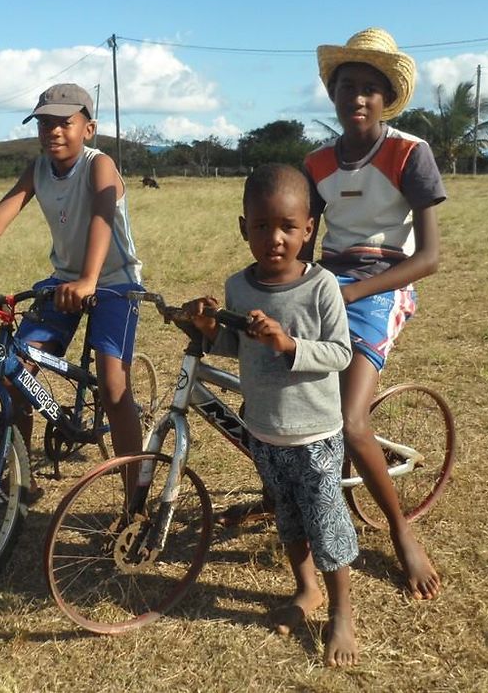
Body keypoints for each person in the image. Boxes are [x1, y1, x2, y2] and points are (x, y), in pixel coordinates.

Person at [0, 83, 144, 493]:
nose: (53, 131)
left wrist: (89, 279)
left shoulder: (99, 165)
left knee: (112, 387)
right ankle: (22, 478)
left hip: (114, 284)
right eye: (44, 124)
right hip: (65, 281)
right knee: (15, 374)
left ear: (88, 128)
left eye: (63, 123)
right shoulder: (38, 169)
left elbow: (102, 218)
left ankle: (136, 494)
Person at [185, 163, 359, 667]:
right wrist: (201, 327)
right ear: (244, 228)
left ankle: (341, 612)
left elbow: (340, 353)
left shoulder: (321, 286)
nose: (275, 238)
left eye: (287, 227)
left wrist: (287, 343)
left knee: (327, 524)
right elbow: (229, 344)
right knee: (288, 520)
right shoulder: (238, 286)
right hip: (265, 431)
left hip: (315, 434)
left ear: (309, 229)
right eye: (262, 226)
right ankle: (307, 591)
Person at [304, 27, 448, 600]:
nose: (357, 98)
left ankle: (401, 534)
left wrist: (351, 296)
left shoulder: (410, 154)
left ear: (388, 98)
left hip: (384, 287)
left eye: (370, 88)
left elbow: (431, 258)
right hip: (328, 282)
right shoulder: (315, 162)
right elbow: (304, 241)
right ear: (332, 94)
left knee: (350, 421)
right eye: (347, 86)